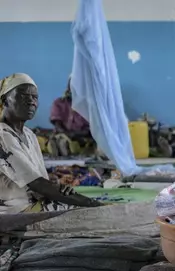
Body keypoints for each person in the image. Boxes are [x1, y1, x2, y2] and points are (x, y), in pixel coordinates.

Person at [0, 73, 102, 213]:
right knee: (85, 210)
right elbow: (37, 183)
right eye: (24, 95)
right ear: (5, 101)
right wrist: (92, 204)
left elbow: (40, 180)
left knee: (76, 205)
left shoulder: (29, 135)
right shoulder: (2, 135)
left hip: (34, 202)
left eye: (35, 97)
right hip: (13, 209)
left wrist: (57, 188)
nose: (31, 101)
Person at [49, 76, 95, 157]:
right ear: (68, 86)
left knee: (80, 144)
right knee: (59, 138)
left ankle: (66, 147)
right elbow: (57, 125)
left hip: (81, 136)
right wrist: (68, 134)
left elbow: (91, 129)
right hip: (62, 133)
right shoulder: (59, 103)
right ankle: (60, 145)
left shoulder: (89, 106)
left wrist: (76, 134)